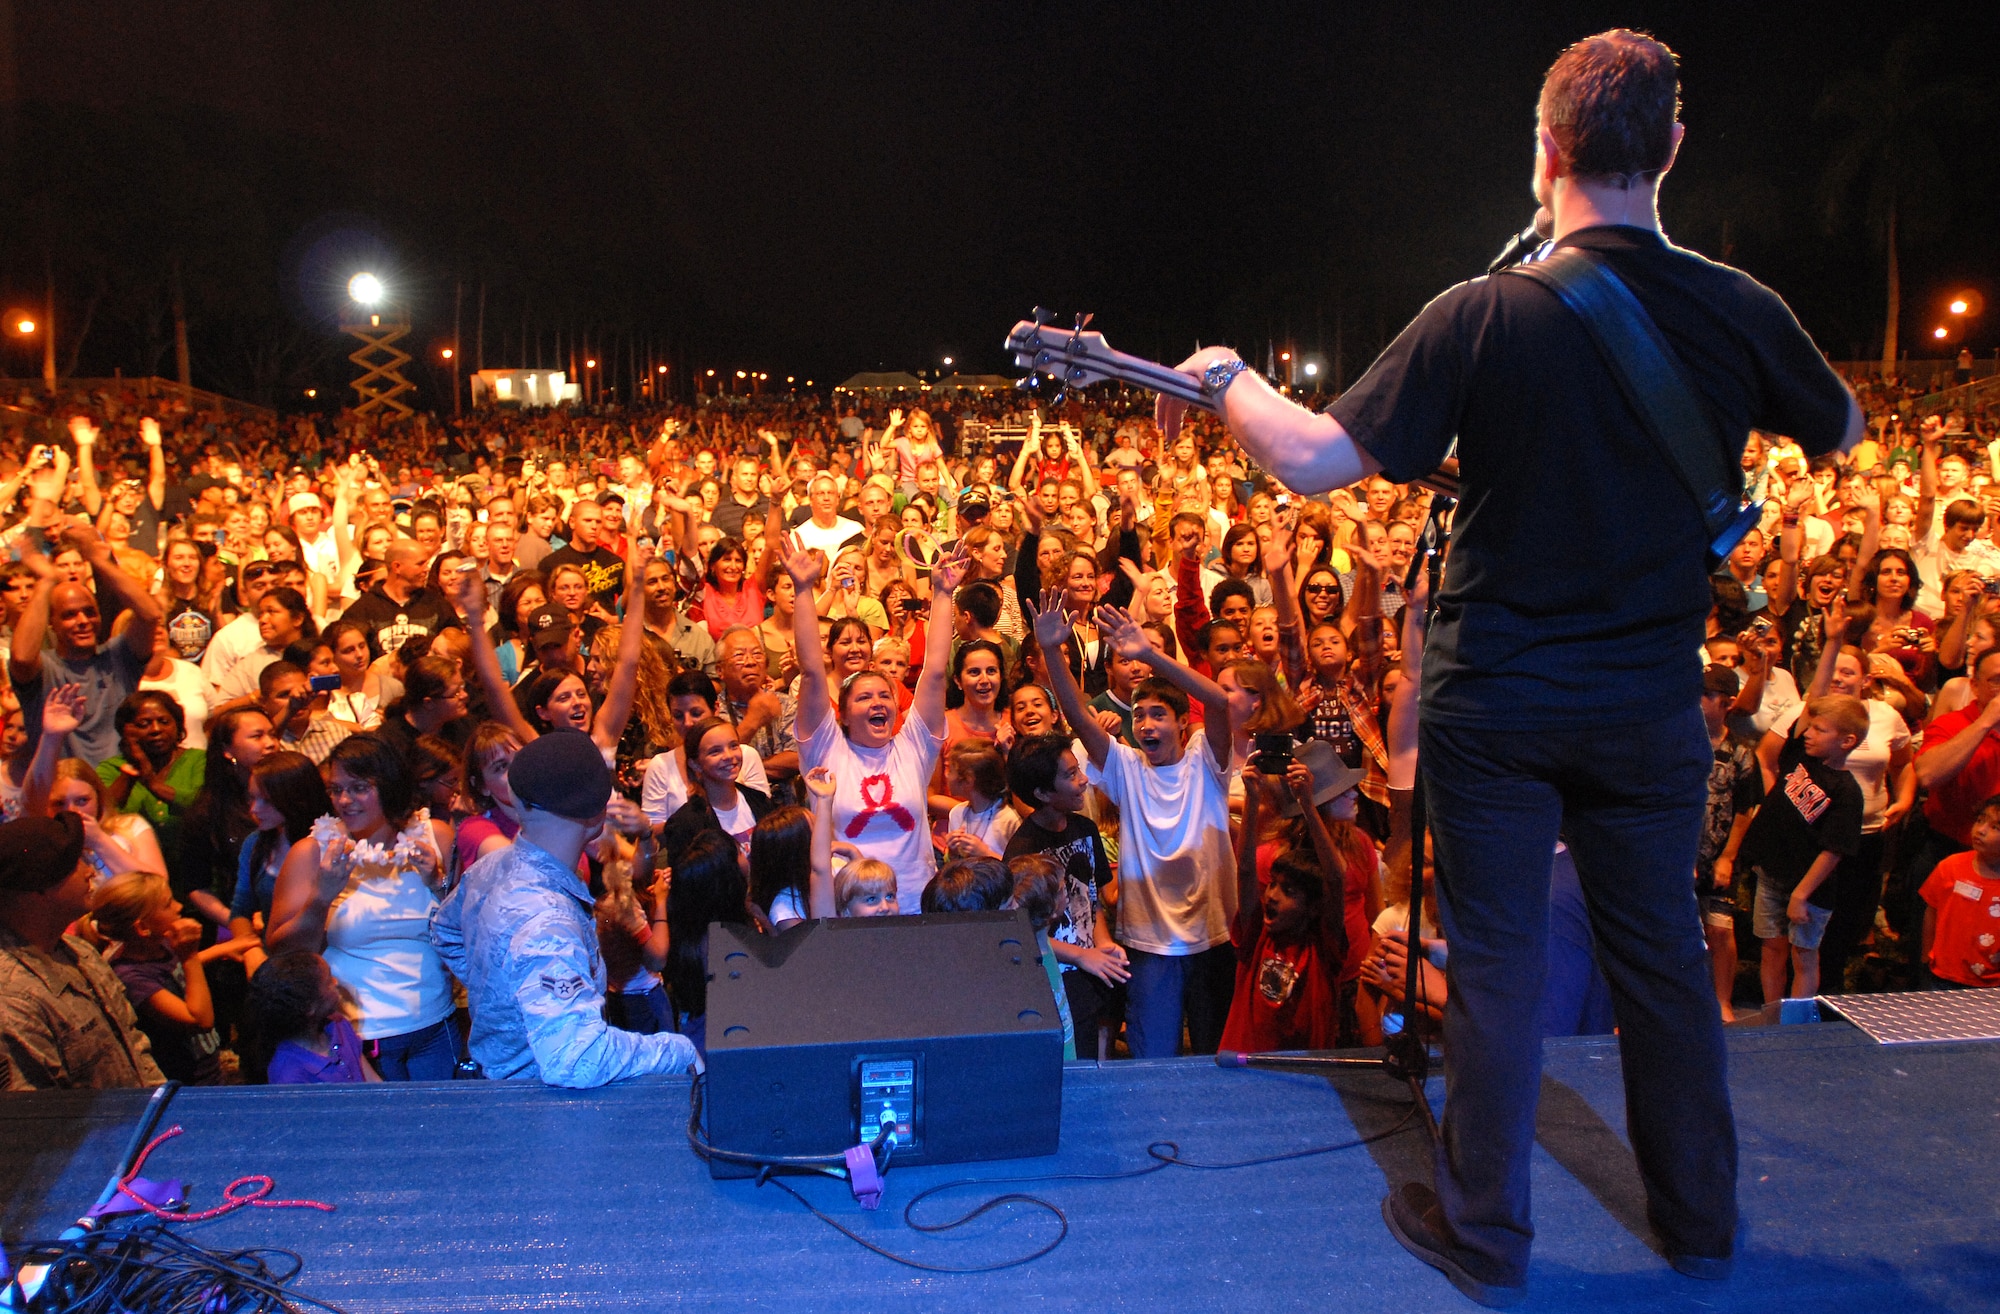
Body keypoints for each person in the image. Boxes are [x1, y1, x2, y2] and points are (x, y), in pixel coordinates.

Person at [1152, 31, 1864, 1300]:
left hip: (1495, 699)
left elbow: (1314, 456)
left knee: (1493, 965)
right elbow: (1840, 424)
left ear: (1543, 152)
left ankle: (1487, 1238)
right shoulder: (1735, 305)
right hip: (1647, 701)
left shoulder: (1480, 315)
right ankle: (1698, 1222)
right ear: (1672, 150)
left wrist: (1230, 379)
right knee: (1656, 954)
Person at [433, 730, 700, 1084]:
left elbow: (443, 929)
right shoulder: (549, 921)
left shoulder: (488, 869)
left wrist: (504, 999)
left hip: (499, 1089)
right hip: (539, 1106)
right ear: (596, 813)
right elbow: (579, 1059)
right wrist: (677, 1051)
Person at [1036, 593, 1237, 1058]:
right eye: (1140, 715)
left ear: (1184, 725)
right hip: (1148, 943)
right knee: (1155, 1061)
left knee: (1214, 1059)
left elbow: (1221, 702)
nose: (1145, 724)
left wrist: (1149, 654)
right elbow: (1078, 717)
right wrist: (1052, 651)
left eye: (1158, 715)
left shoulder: (1206, 761)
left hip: (1211, 936)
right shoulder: (1127, 767)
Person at [790, 528, 966, 912]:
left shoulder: (913, 748)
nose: (878, 702)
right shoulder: (826, 749)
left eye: (885, 695)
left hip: (915, 904)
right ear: (843, 712)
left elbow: (935, 671)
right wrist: (803, 590)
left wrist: (943, 593)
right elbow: (811, 672)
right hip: (846, 909)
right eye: (865, 697)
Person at [264, 733, 458, 1080]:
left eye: (358, 788)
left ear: (389, 785)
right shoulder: (311, 853)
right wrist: (321, 897)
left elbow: (467, 930)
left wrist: (438, 884)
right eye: (336, 789)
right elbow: (282, 953)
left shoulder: (436, 835)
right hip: (362, 1039)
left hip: (435, 1027)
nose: (344, 800)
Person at [0, 812, 166, 1090]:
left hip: (140, 1125)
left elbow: (134, 1045)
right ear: (40, 889)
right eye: (76, 863)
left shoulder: (80, 953)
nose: (90, 871)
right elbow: (36, 1119)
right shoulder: (12, 1000)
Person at [1002, 732, 1125, 1048]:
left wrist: (1104, 945)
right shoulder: (1024, 852)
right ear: (1042, 792)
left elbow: (1092, 898)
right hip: (1056, 975)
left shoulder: (1085, 828)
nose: (1084, 780)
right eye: (1071, 774)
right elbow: (1024, 931)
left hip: (1090, 966)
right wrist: (1083, 956)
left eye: (1079, 769)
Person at [1745, 695, 1867, 1003]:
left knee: (1804, 956)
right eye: (1809, 727)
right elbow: (1814, 697)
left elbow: (1834, 850)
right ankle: (1773, 1016)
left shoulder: (1847, 791)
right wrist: (1832, 644)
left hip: (1810, 890)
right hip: (1773, 874)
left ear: (1847, 740)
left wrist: (1800, 895)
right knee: (1772, 949)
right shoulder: (1802, 756)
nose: (1809, 733)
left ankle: (1797, 1026)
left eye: (1820, 730)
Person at [87, 869, 253, 1085]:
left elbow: (172, 970)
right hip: (184, 1082)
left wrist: (222, 950)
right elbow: (199, 1020)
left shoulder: (158, 945)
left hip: (207, 1069)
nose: (179, 906)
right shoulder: (130, 976)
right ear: (143, 927)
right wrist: (190, 955)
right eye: (167, 904)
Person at [11, 529, 163, 764]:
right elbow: (20, 658)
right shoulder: (45, 668)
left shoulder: (119, 657)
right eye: (70, 615)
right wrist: (47, 581)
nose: (83, 621)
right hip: (62, 791)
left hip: (122, 786)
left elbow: (150, 615)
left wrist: (97, 560)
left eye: (90, 612)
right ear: (52, 623)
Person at [250, 949, 382, 1083]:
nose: (336, 982)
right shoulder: (290, 1073)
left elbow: (373, 1082)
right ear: (309, 1008)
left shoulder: (338, 1025)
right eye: (329, 981)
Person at [1917, 796, 2000, 987]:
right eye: (1980, 820)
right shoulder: (1951, 867)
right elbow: (1931, 912)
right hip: (1942, 976)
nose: (1981, 830)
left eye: (1995, 827)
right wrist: (1926, 957)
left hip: (1991, 984)